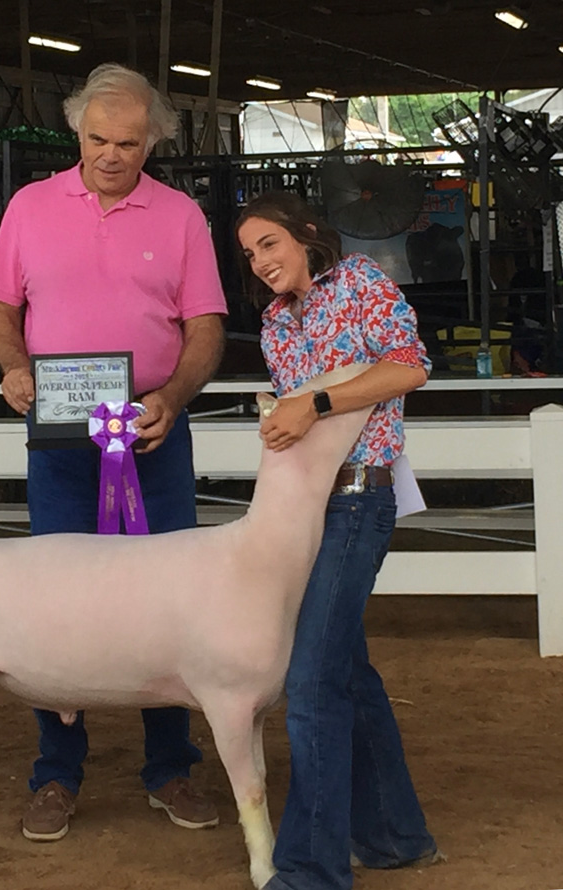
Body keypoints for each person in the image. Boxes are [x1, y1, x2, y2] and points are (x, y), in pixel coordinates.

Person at [0, 63, 227, 842]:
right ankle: (56, 774)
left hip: (153, 430)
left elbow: (206, 329)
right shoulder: (27, 206)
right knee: (58, 603)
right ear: (74, 131)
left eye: (128, 142)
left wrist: (171, 398)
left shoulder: (182, 214)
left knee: (167, 606)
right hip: (58, 433)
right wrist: (13, 367)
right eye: (97, 139)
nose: (112, 155)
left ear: (153, 139)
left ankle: (171, 766)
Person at [236, 191, 439, 890]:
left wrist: (313, 402)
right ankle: (393, 836)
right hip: (310, 508)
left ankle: (309, 871)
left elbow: (410, 365)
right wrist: (286, 417)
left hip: (359, 500)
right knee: (345, 673)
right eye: (250, 253)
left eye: (269, 243)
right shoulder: (274, 324)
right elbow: (302, 423)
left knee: (312, 682)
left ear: (305, 234)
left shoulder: (359, 283)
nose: (260, 261)